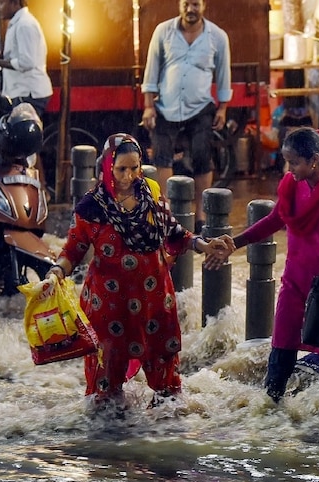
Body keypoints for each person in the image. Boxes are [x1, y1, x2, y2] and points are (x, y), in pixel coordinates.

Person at [47, 133, 233, 408]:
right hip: (110, 305)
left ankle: (166, 436)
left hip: (154, 300)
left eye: (135, 168)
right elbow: (73, 249)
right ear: (107, 166)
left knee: (167, 386)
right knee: (106, 390)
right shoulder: (91, 206)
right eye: (122, 168)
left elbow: (174, 233)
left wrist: (204, 245)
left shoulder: (152, 193)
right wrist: (56, 273)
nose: (130, 175)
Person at [206, 128, 319, 402]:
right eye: (287, 161)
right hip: (294, 280)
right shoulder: (291, 185)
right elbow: (274, 220)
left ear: (314, 160)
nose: (288, 168)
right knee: (281, 344)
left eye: (293, 162)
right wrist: (236, 242)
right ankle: (270, 410)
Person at [141, 0, 232, 231]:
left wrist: (222, 108)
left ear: (204, 5)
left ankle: (200, 214)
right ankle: (166, 212)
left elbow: (223, 75)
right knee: (161, 155)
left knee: (202, 154)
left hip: (200, 106)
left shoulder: (217, 37)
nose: (190, 9)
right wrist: (149, 106)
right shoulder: (163, 31)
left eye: (195, 4)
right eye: (186, 4)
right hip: (166, 106)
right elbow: (151, 70)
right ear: (179, 5)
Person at [0, 0, 52, 119]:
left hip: (28, 93)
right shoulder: (18, 24)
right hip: (22, 92)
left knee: (23, 136)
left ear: (15, 3)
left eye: (1, 3)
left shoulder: (25, 25)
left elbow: (27, 62)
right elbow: (18, 56)